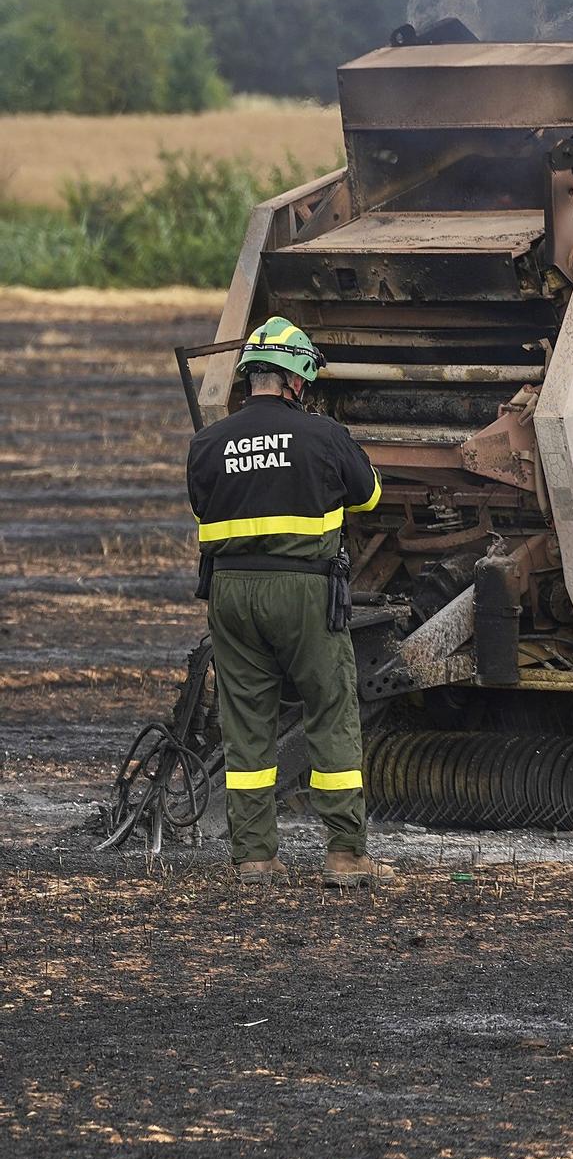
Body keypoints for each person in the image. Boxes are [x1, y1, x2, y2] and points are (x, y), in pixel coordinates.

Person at [186, 317, 388, 888]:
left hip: (230, 593)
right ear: (298, 380)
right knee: (330, 711)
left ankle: (254, 857)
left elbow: (204, 510)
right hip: (303, 590)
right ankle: (345, 855)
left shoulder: (206, 443)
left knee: (246, 721)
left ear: (251, 377)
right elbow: (369, 495)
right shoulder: (322, 435)